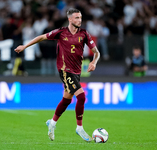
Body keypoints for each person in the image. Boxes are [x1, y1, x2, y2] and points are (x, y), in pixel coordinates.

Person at [14, 8, 100, 142]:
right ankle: (79, 127)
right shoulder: (61, 32)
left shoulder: (84, 34)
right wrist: (25, 46)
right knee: (81, 96)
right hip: (65, 70)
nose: (79, 20)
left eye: (80, 17)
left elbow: (96, 52)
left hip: (77, 72)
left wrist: (94, 62)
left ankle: (52, 123)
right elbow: (42, 37)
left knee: (67, 99)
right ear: (70, 19)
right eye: (77, 18)